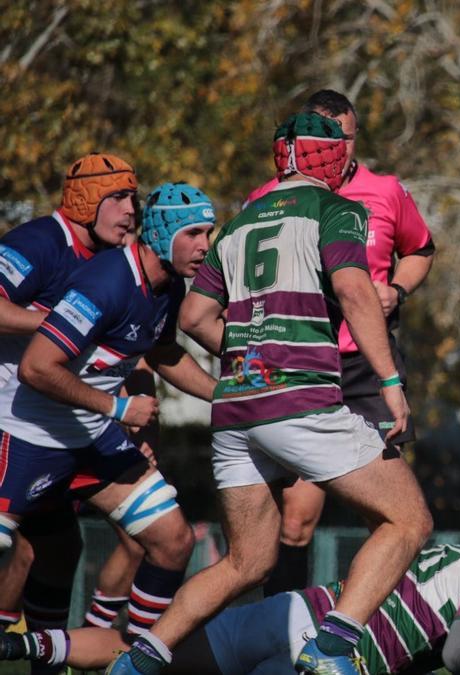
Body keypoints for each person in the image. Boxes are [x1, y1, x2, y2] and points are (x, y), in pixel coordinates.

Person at [108, 112, 433, 675]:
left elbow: (193, 315)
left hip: (235, 408)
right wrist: (390, 382)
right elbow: (356, 293)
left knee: (247, 560)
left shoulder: (238, 225)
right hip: (300, 399)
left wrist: (250, 352)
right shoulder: (338, 210)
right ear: (332, 159)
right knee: (409, 520)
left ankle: (138, 661)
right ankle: (330, 649)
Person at [0, 181, 219, 667]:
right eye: (195, 233)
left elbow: (162, 352)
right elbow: (37, 367)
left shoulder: (168, 287)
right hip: (27, 434)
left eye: (209, 232)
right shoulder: (106, 283)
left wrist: (224, 394)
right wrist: (117, 409)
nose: (205, 245)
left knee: (172, 540)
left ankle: (135, 662)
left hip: (89, 438)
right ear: (162, 235)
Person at [243, 89, 436, 597]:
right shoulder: (267, 198)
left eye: (345, 137)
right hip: (302, 365)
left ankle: (384, 633)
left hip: (368, 369)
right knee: (296, 521)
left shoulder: (386, 191)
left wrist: (396, 290)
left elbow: (420, 250)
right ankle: (282, 634)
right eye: (321, 137)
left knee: (393, 515)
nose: (337, 148)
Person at [0, 154, 143, 650]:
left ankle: (45, 656)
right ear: (86, 201)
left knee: (59, 549)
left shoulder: (111, 262)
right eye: (119, 197)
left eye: (134, 198)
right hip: (14, 422)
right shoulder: (39, 242)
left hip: (62, 428)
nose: (131, 210)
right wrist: (56, 326)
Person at [3, 543, 460, 674]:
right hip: (333, 655)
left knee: (146, 650)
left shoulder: (448, 550)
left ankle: (19, 644)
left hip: (296, 610)